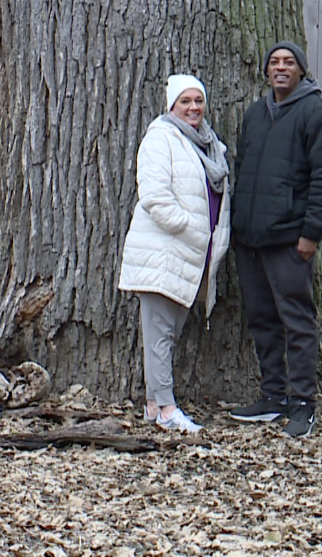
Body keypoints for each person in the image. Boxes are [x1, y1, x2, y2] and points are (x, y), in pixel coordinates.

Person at [228, 41, 322, 438]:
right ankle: (273, 397)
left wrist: (311, 233)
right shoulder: (256, 115)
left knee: (297, 322)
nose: (280, 68)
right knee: (262, 320)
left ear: (300, 71)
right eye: (274, 63)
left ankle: (303, 405)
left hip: (290, 240)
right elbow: (243, 168)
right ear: (266, 71)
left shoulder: (316, 113)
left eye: (288, 63)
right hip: (251, 239)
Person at [118, 74, 231, 434]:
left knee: (167, 334)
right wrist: (193, 229)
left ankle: (154, 405)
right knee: (160, 334)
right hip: (163, 253)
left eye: (199, 100)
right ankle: (166, 409)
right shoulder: (160, 139)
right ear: (171, 105)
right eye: (186, 101)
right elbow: (155, 197)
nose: (194, 108)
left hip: (191, 257)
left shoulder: (210, 145)